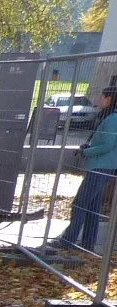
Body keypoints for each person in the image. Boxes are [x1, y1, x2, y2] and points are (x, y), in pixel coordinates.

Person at [45, 85, 117, 253]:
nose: (99, 99)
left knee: (79, 204)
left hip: (100, 166)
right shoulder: (108, 117)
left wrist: (85, 151)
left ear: (109, 99)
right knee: (92, 207)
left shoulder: (112, 119)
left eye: (102, 96)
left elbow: (107, 146)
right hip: (102, 166)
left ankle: (67, 241)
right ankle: (88, 244)